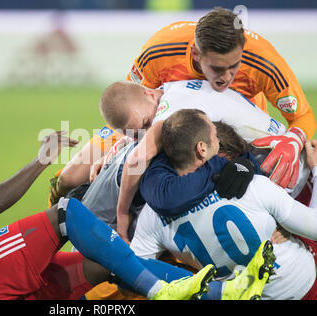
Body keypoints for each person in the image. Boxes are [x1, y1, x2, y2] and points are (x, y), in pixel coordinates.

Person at [0, 131, 239, 300]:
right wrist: (43, 160)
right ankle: (170, 289)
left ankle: (220, 294)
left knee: (104, 266)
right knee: (65, 213)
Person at [130, 109, 317, 299]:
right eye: (214, 135)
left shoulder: (152, 214)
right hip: (304, 284)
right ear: (202, 149)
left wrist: (189, 280)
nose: (218, 140)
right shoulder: (251, 186)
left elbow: (131, 274)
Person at [126, 7, 315, 188]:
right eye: (216, 68)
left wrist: (294, 139)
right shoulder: (159, 52)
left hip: (242, 142)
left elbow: (302, 115)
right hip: (181, 139)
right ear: (196, 54)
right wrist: (106, 148)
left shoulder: (264, 62)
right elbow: (125, 105)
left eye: (234, 66)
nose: (226, 77)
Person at [113, 79, 312, 242]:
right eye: (139, 134)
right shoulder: (174, 89)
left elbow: (136, 160)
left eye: (147, 123)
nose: (149, 132)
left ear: (149, 94)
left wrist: (122, 214)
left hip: (288, 179)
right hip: (281, 166)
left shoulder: (169, 108)